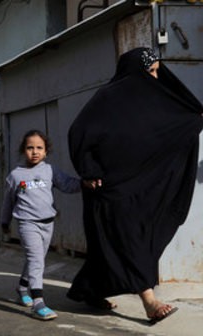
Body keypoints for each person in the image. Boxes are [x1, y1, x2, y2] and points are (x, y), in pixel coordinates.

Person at [67, 47, 203, 323]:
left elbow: (166, 132)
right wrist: (89, 171)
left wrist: (192, 121)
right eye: (150, 71)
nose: (155, 77)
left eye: (157, 71)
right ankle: (149, 301)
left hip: (140, 188)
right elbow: (79, 132)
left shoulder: (155, 102)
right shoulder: (106, 98)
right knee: (132, 241)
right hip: (109, 188)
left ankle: (89, 289)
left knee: (115, 246)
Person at [0, 130, 87, 321]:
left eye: (39, 148)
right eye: (30, 148)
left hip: (48, 224)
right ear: (24, 150)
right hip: (27, 224)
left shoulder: (50, 171)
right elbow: (8, 201)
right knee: (36, 260)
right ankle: (38, 304)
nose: (35, 151)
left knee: (36, 259)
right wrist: (4, 222)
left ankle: (22, 287)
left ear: (46, 151)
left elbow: (67, 185)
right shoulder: (16, 175)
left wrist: (85, 183)